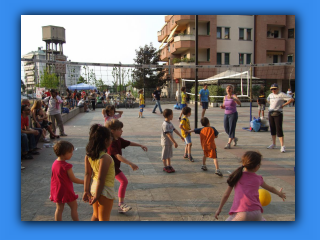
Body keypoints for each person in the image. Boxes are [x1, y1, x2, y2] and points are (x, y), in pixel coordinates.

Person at [214, 151, 286, 221]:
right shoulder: (258, 178)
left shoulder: (236, 176)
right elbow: (271, 188)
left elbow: (226, 195)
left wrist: (219, 209)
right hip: (257, 214)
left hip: (241, 213)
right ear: (257, 166)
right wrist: (279, 194)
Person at [106, 119, 147, 213]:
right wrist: (130, 163)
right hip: (110, 168)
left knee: (120, 182)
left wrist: (140, 145)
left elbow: (128, 143)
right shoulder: (111, 143)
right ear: (113, 131)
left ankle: (120, 204)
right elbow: (117, 155)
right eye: (119, 129)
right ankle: (120, 204)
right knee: (122, 181)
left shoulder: (118, 139)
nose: (122, 131)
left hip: (113, 167)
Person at [83, 124, 115, 221]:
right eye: (110, 138)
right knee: (103, 219)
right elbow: (102, 178)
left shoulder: (88, 156)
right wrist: (97, 195)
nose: (111, 140)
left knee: (96, 216)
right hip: (104, 190)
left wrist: (86, 190)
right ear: (105, 141)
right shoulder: (105, 157)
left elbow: (87, 174)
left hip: (94, 187)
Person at [50, 141, 84, 221]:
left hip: (57, 190)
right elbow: (73, 179)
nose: (72, 154)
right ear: (63, 153)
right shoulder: (66, 166)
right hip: (66, 190)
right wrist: (84, 181)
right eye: (70, 152)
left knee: (59, 209)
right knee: (74, 206)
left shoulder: (55, 163)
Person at [267, 83, 294, 153]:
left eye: (275, 89)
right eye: (272, 89)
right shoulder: (270, 95)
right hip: (271, 113)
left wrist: (283, 105)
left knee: (279, 129)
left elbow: (291, 99)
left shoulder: (281, 94)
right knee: (272, 128)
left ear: (278, 89)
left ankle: (282, 146)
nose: (273, 90)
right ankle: (273, 143)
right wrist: (271, 105)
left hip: (278, 113)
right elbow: (268, 99)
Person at [161, 109, 185, 173]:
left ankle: (169, 165)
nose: (173, 116)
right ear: (169, 116)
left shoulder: (170, 123)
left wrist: (181, 136)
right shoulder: (165, 124)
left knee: (169, 155)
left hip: (169, 142)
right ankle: (165, 166)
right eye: (172, 115)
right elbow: (168, 135)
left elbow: (174, 129)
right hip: (165, 142)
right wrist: (174, 142)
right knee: (164, 155)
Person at [220, 85, 241, 149]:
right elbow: (224, 105)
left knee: (232, 128)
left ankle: (228, 143)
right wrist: (222, 107)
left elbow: (239, 103)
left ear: (232, 90)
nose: (228, 89)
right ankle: (234, 138)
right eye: (227, 88)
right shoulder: (225, 97)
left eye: (230, 88)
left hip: (233, 114)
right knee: (226, 128)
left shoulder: (234, 96)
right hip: (226, 114)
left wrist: (234, 99)